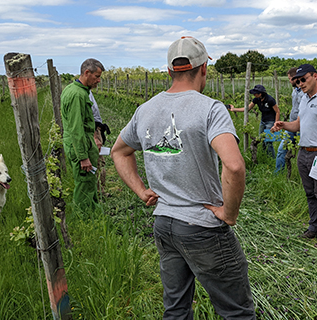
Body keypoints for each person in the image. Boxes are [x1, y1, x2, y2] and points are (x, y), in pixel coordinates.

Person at [111, 36, 255, 319]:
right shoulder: (211, 109)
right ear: (204, 69)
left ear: (169, 72)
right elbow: (235, 166)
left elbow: (119, 151)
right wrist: (229, 212)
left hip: (164, 225)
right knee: (236, 312)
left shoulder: (145, 110)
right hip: (202, 227)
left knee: (176, 309)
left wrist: (142, 191)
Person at [271, 64, 317, 250]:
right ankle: (314, 227)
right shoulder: (304, 98)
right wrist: (283, 124)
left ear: (315, 76)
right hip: (304, 152)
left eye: (304, 79)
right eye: (298, 81)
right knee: (310, 193)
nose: (301, 83)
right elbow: (298, 125)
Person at [60, 58, 104, 211]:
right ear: (87, 73)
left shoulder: (74, 89)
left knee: (88, 182)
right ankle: (84, 217)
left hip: (83, 144)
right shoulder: (77, 95)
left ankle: (93, 212)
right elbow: (76, 129)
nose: (98, 80)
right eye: (97, 76)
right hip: (81, 146)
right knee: (84, 184)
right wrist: (83, 157)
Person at [230, 84, 280, 158]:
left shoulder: (270, 99)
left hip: (271, 121)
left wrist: (276, 124)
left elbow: (277, 111)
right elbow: (247, 108)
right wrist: (234, 109)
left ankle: (272, 158)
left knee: (269, 141)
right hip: (263, 121)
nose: (254, 94)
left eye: (255, 93)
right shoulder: (257, 99)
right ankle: (265, 156)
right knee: (261, 140)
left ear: (261, 93)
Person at [275, 67, 303, 172]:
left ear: (295, 78)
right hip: (291, 126)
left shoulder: (305, 92)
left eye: (290, 79)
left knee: (303, 154)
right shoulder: (295, 90)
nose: (289, 81)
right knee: (281, 150)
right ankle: (278, 174)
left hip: (302, 127)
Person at [89, 91, 111, 196]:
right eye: (97, 76)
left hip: (96, 129)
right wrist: (96, 137)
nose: (98, 81)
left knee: (98, 162)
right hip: (94, 132)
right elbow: (88, 117)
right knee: (99, 162)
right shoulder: (83, 94)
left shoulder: (85, 91)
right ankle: (99, 192)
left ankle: (96, 191)